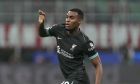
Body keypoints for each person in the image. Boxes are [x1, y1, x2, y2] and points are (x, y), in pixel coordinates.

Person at [38, 8, 103, 84]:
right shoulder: (59, 29)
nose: (67, 20)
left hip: (79, 79)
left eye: (71, 18)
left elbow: (98, 64)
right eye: (67, 17)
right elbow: (42, 33)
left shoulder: (84, 42)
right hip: (70, 78)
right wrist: (41, 23)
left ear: (79, 21)